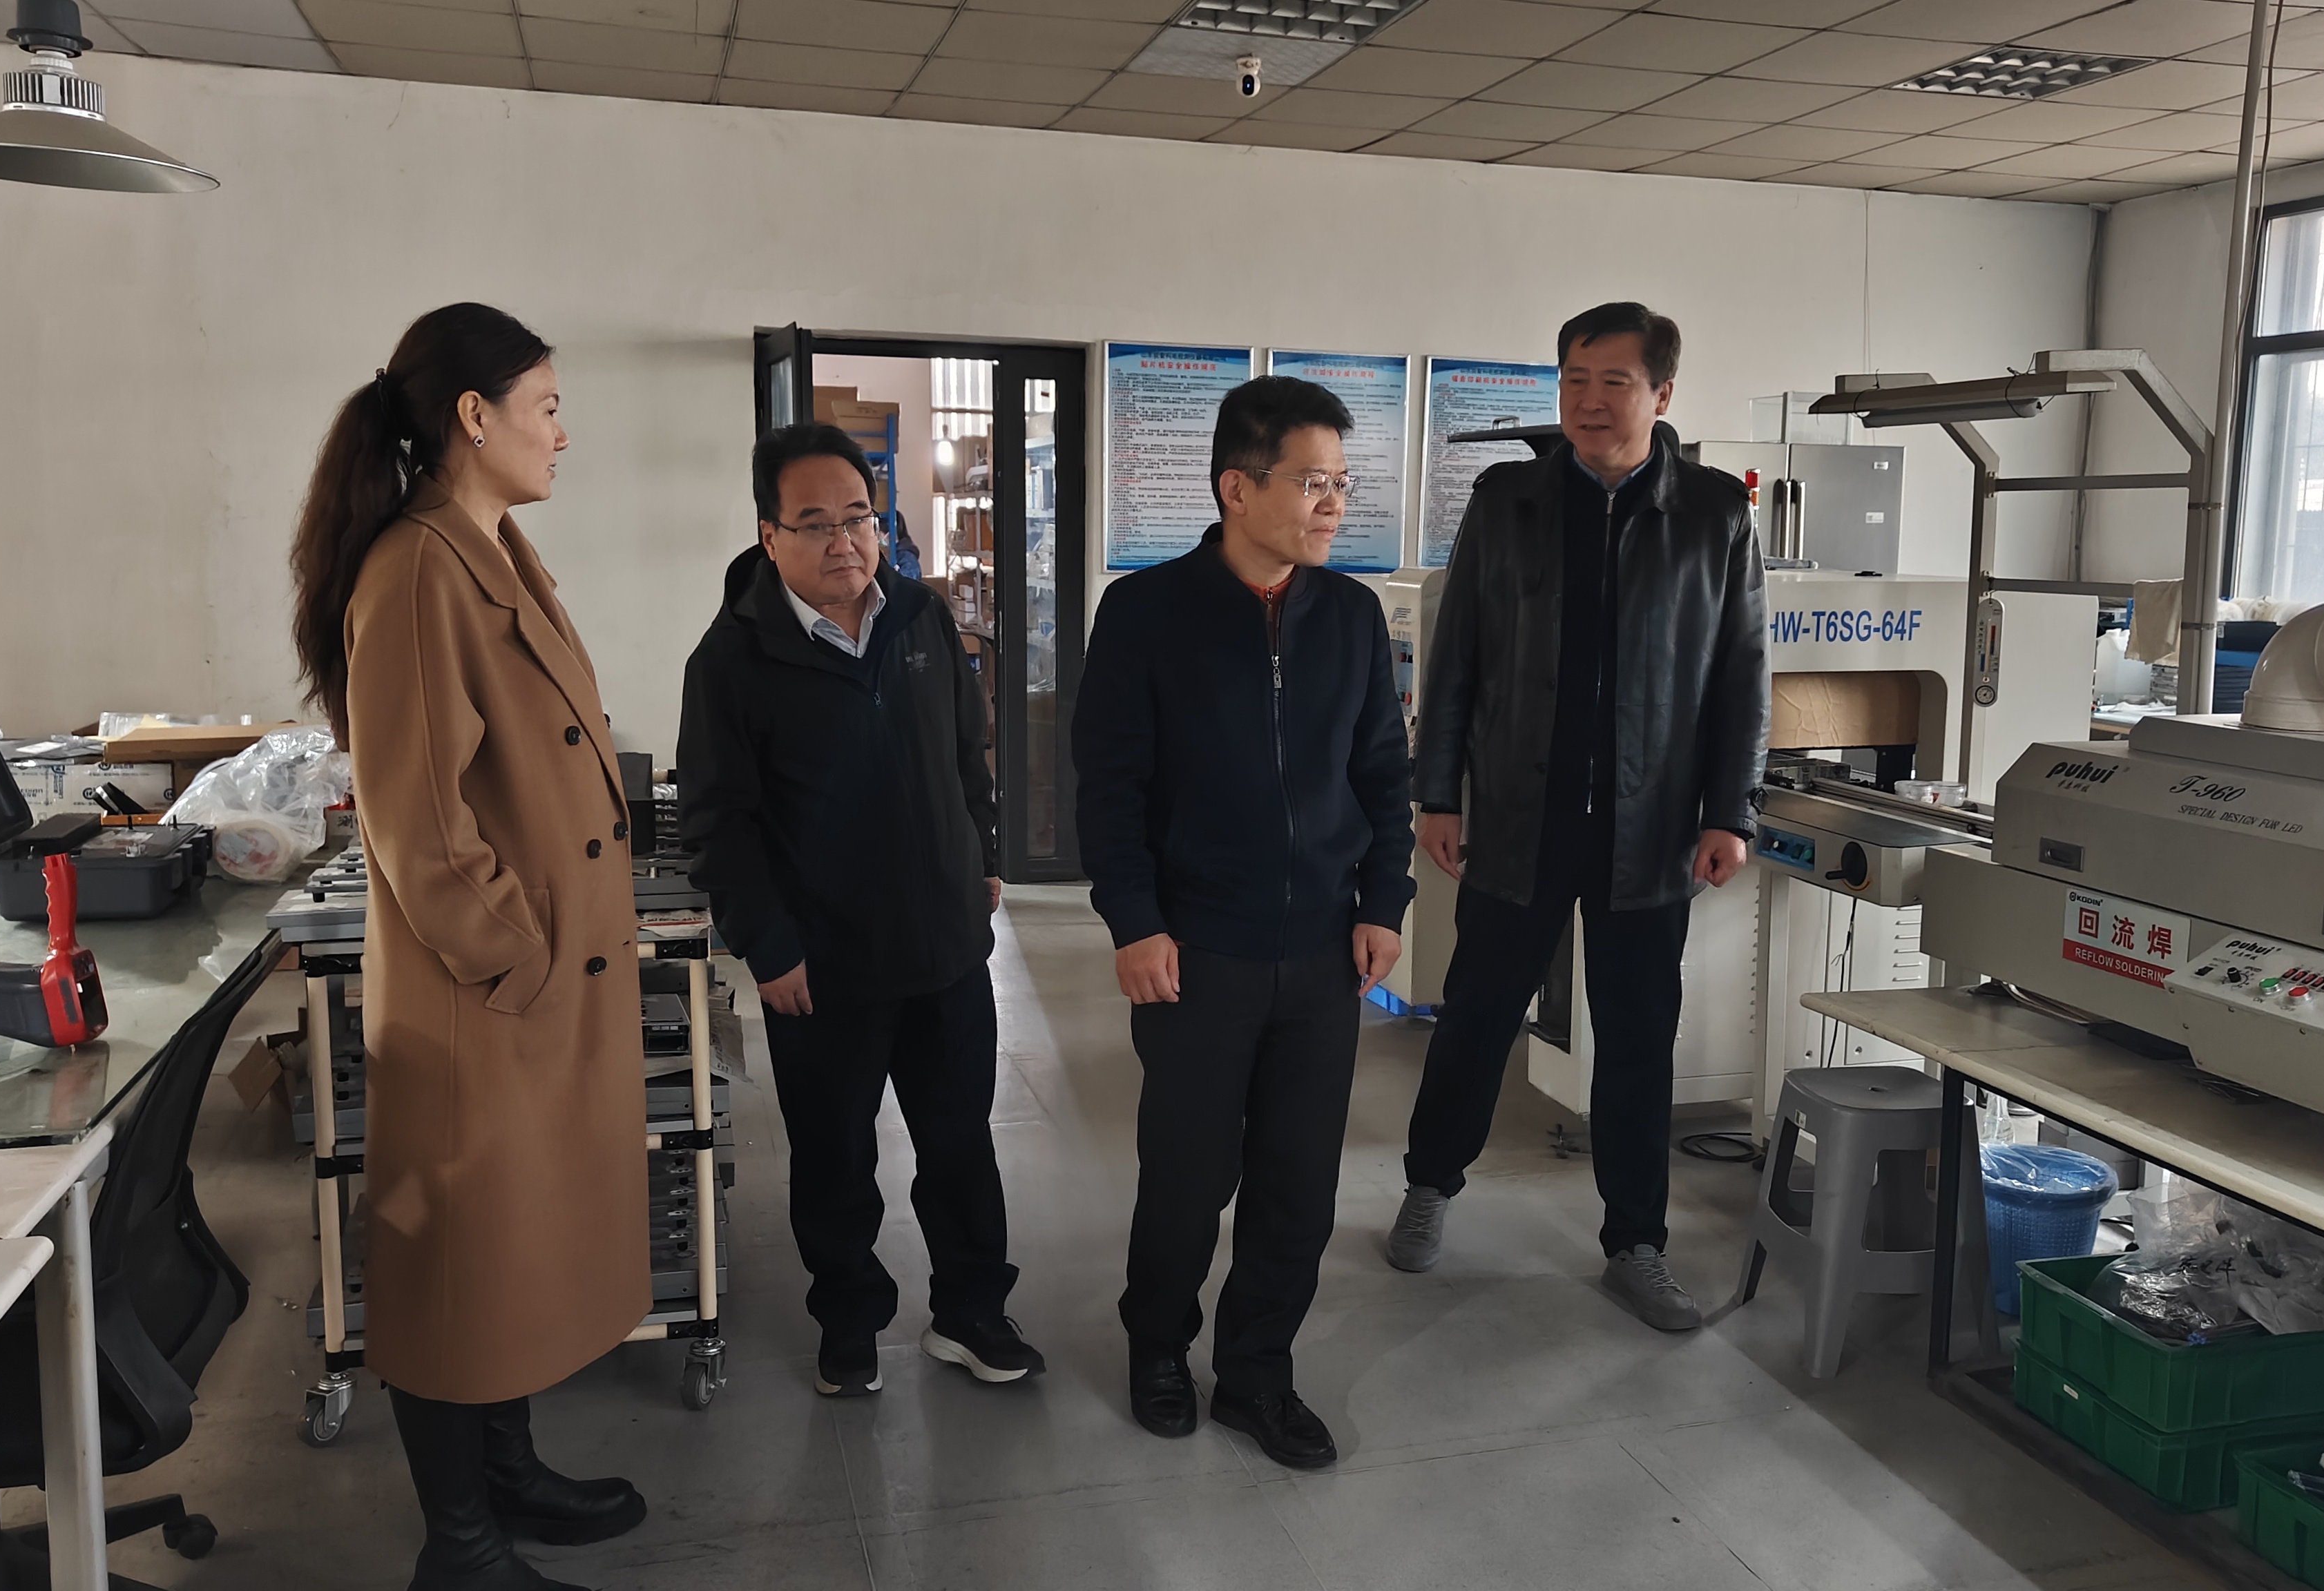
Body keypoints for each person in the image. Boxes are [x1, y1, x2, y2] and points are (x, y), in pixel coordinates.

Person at [291, 302, 649, 1591]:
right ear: (474, 416)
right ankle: (462, 1548)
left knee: (509, 1260)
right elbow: (419, 822)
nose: (563, 433)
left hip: (532, 986)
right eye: (546, 407)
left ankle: (509, 1476)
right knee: (457, 1274)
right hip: (481, 993)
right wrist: (518, 955)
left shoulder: (490, 550)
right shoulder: (415, 570)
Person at [1387, 302, 1770, 1332]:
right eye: (1573, 380)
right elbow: (1456, 656)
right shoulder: (1508, 501)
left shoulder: (1714, 514)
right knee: (1477, 1013)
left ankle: (1636, 1244)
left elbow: (1742, 675)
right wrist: (1437, 792)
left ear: (1662, 394)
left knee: (1639, 1037)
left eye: (1614, 382)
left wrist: (1729, 812)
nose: (1589, 402)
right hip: (1522, 814)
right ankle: (1430, 1184)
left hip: (1652, 827)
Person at [1075, 375, 1415, 1469]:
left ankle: (1258, 1373)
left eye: (1341, 483)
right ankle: (1158, 1348)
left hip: (1322, 953)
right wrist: (1134, 921)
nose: (1334, 504)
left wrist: (1385, 900)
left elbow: (1384, 775)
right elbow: (1109, 788)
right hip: (1196, 951)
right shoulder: (1145, 614)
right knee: (1186, 1181)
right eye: (1312, 482)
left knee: (1297, 1187)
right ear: (1237, 488)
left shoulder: (1351, 617)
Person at [678, 423, 1038, 1400]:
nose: (844, 542)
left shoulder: (921, 619)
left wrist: (982, 859)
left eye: (858, 518)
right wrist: (769, 945)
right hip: (823, 965)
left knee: (960, 1145)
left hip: (945, 947)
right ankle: (849, 1320)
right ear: (770, 536)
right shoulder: (732, 659)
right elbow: (718, 822)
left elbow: (968, 754)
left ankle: (971, 1310)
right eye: (816, 524)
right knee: (836, 1157)